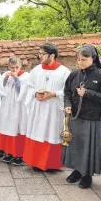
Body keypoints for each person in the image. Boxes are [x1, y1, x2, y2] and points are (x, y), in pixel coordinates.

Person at [62, 44, 101, 189]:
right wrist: (67, 104)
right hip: (75, 117)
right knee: (76, 146)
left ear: (93, 59)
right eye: (78, 60)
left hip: (92, 119)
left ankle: (87, 176)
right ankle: (77, 171)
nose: (80, 63)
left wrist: (88, 93)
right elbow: (67, 93)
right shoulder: (74, 74)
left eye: (84, 59)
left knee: (88, 148)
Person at [23, 43, 70, 172]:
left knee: (51, 133)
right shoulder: (36, 70)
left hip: (53, 109)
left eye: (42, 54)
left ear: (52, 55)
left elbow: (68, 90)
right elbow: (28, 86)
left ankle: (51, 164)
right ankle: (36, 162)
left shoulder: (64, 71)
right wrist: (35, 93)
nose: (40, 56)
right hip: (38, 108)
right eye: (40, 53)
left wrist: (54, 94)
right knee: (37, 132)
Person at [0, 57, 30, 165]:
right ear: (8, 67)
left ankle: (19, 155)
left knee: (18, 129)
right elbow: (0, 89)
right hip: (8, 106)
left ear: (20, 66)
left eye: (17, 67)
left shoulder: (26, 76)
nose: (14, 70)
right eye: (12, 68)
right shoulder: (6, 74)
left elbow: (22, 91)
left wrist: (16, 78)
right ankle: (9, 153)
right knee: (8, 127)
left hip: (19, 107)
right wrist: (5, 79)